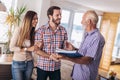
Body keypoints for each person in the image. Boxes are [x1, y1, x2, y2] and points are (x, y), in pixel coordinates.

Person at [51, 10, 105, 80]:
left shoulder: (97, 38)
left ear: (89, 21)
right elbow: (84, 52)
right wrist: (74, 49)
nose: (81, 22)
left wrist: (65, 57)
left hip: (85, 77)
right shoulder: (87, 35)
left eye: (83, 19)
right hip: (77, 74)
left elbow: (87, 60)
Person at [34, 6, 68, 80]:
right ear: (50, 16)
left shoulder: (63, 31)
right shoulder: (41, 30)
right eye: (57, 15)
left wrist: (68, 50)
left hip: (56, 67)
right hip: (42, 67)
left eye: (60, 15)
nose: (60, 17)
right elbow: (36, 50)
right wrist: (50, 56)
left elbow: (64, 48)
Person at [9, 10, 38, 80]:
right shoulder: (18, 30)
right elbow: (11, 47)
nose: (36, 21)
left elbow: (32, 50)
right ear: (28, 19)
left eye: (37, 19)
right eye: (34, 19)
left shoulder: (33, 33)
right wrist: (27, 49)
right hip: (17, 63)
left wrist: (34, 61)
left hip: (29, 63)